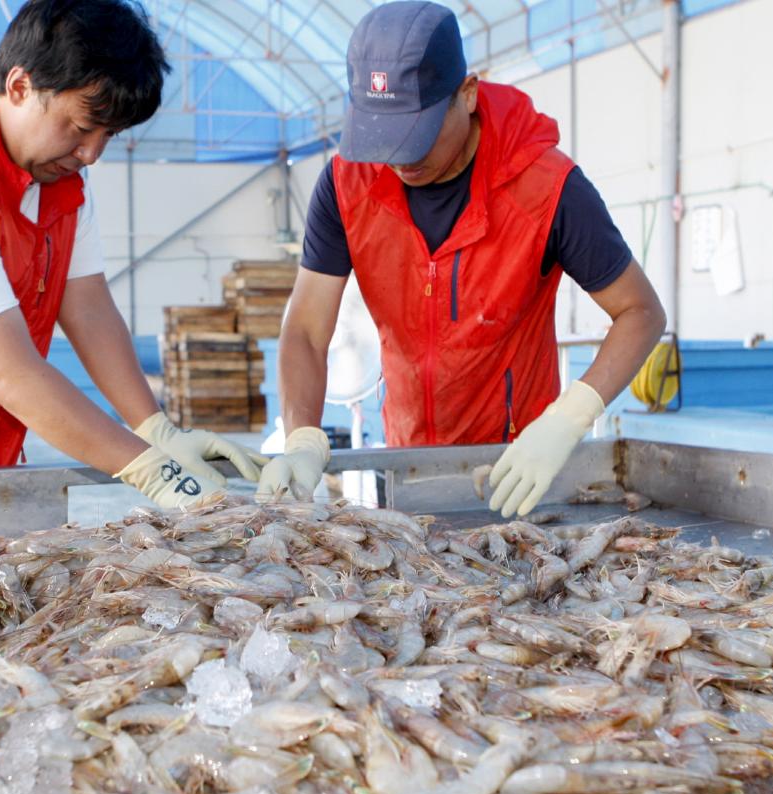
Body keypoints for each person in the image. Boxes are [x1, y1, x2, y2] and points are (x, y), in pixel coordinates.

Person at [0, 0, 265, 655]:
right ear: (20, 86)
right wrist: (153, 472)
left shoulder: (58, 177)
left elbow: (88, 305)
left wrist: (155, 427)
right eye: (80, 127)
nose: (92, 153)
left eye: (107, 137)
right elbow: (6, 369)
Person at [257, 0, 666, 517]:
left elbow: (641, 312)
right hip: (408, 466)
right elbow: (307, 332)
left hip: (520, 468)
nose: (400, 158)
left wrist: (570, 417)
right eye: (383, 136)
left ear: (467, 95)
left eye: (415, 134)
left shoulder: (547, 188)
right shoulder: (347, 185)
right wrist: (302, 440)